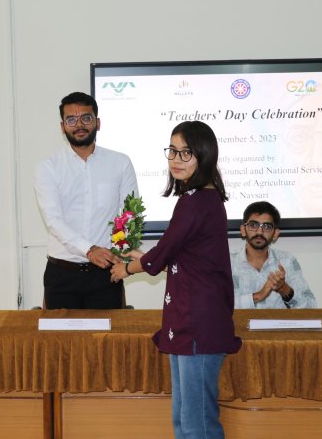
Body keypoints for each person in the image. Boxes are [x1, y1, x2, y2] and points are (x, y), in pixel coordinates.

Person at [111, 121, 241, 439]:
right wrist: (141, 257)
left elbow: (165, 252)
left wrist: (127, 269)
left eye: (187, 152)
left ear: (205, 157)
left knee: (198, 424)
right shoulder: (200, 199)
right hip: (188, 320)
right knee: (184, 419)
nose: (176, 159)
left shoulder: (196, 201)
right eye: (173, 150)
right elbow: (183, 256)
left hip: (197, 322)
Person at [34, 91, 138, 309]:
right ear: (62, 126)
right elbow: (54, 220)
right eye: (71, 119)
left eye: (86, 118)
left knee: (106, 343)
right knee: (61, 343)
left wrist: (119, 250)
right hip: (62, 274)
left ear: (97, 123)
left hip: (105, 273)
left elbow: (128, 215)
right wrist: (90, 250)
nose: (79, 124)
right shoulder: (48, 168)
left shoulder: (120, 163)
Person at [230, 201, 317, 309]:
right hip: (238, 326)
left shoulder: (287, 261)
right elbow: (217, 304)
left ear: (275, 234)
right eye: (253, 225)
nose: (259, 232)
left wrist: (285, 290)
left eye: (266, 226)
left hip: (278, 326)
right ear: (243, 230)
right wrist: (256, 297)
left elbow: (311, 307)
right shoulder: (228, 262)